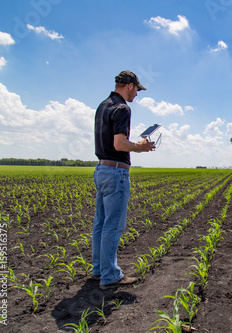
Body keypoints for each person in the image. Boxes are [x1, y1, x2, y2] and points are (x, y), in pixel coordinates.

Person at [92, 70, 155, 290]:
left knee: (100, 223)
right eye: (137, 89)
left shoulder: (103, 106)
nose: (137, 94)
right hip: (116, 172)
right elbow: (119, 144)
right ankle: (110, 275)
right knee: (113, 225)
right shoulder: (122, 109)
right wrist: (141, 147)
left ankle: (99, 269)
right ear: (129, 85)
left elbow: (112, 141)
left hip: (101, 169)